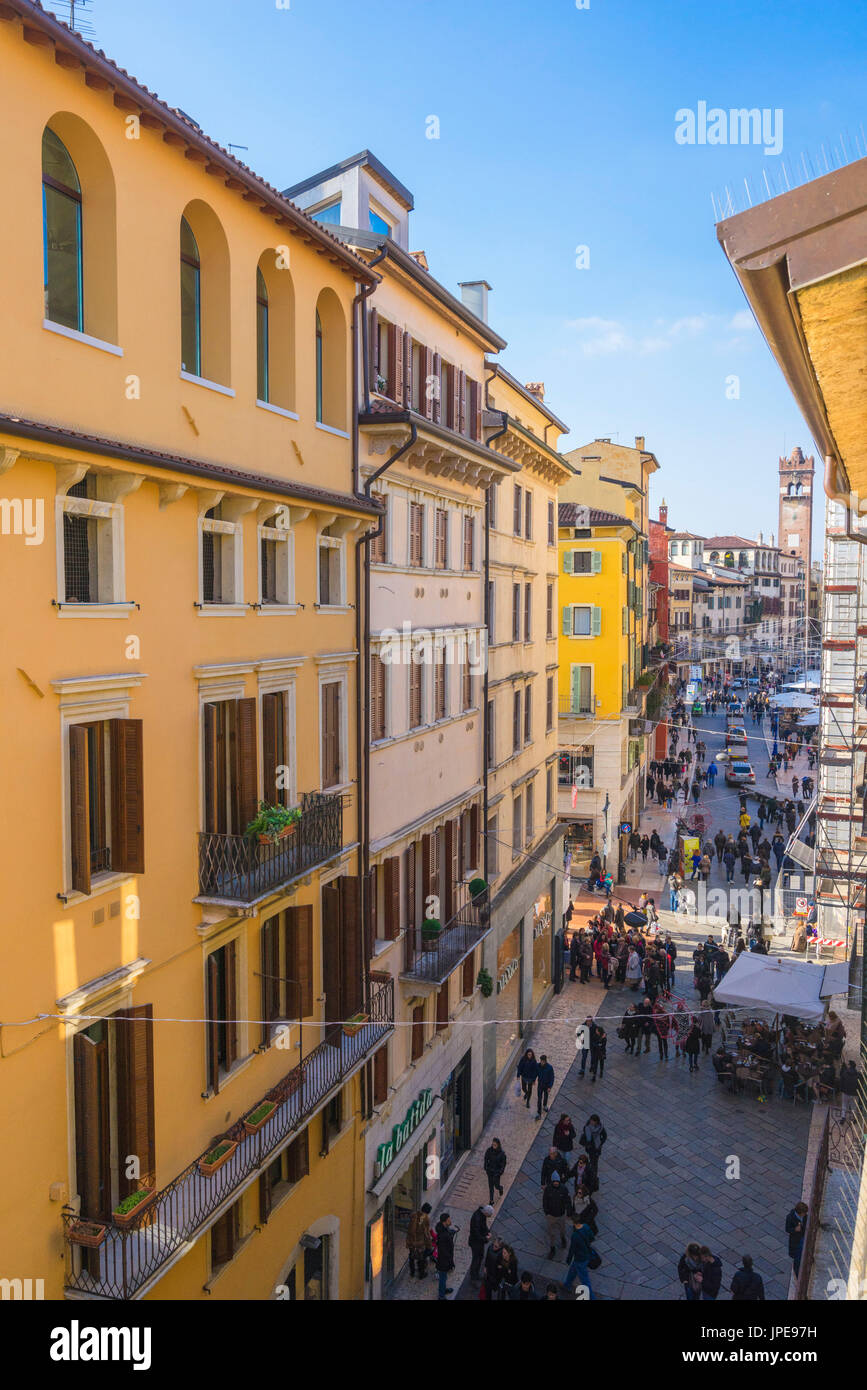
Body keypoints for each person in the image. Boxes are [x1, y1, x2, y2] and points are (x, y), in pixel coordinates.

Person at [542, 1172, 573, 1258]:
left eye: (557, 1181)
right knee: (551, 1233)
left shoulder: (564, 1189)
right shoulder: (548, 1189)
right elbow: (545, 1201)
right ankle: (552, 1248)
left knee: (562, 1229)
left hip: (561, 1214)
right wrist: (546, 1212)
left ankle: (563, 1238)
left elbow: (568, 1201)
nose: (556, 1183)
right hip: (551, 1215)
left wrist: (569, 1211)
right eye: (554, 1181)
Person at [564, 1216, 595, 1299]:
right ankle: (567, 1284)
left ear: (573, 1223)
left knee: (585, 1281)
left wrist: (568, 1259)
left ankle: (592, 1297)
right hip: (587, 1255)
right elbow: (592, 1237)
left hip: (580, 1259)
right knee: (573, 1270)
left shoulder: (575, 1235)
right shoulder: (586, 1227)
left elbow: (572, 1249)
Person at [406, 1202, 433, 1279]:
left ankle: (412, 1272)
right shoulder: (425, 1219)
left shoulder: (414, 1215)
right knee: (421, 1258)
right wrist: (429, 1244)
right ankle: (421, 1274)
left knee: (411, 1256)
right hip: (419, 1242)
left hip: (411, 1240)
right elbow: (426, 1232)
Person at [468, 1203, 493, 1281]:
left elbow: (484, 1225)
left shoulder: (482, 1214)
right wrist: (486, 1238)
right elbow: (476, 1234)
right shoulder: (477, 1218)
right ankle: (473, 1277)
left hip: (479, 1242)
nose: (488, 1217)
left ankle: (476, 1274)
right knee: (476, 1259)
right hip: (475, 1242)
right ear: (486, 1213)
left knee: (480, 1257)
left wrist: (488, 1231)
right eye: (488, 1216)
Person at [435, 1213, 456, 1300]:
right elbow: (444, 1251)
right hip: (444, 1260)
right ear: (445, 1222)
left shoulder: (444, 1230)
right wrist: (450, 1261)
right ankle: (441, 1295)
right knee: (443, 1277)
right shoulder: (443, 1235)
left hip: (445, 1259)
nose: (450, 1221)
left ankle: (443, 1290)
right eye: (448, 1220)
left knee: (444, 1276)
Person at [785, 1202, 809, 1276]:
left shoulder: (805, 1216)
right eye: (804, 1213)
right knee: (797, 1259)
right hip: (796, 1241)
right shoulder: (790, 1217)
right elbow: (787, 1229)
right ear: (800, 1213)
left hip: (803, 1237)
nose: (805, 1214)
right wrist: (795, 1229)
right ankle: (798, 1274)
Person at [483, 1138, 507, 1204]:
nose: (493, 1146)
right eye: (493, 1145)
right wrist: (485, 1166)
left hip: (496, 1173)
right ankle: (491, 1201)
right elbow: (486, 1158)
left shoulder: (502, 1154)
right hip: (490, 1171)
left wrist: (500, 1172)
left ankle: (500, 1188)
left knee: (496, 1186)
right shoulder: (489, 1150)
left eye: (495, 1145)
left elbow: (503, 1165)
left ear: (498, 1145)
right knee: (491, 1187)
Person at [482, 1236, 504, 1301]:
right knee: (487, 1290)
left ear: (500, 1247)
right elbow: (487, 1258)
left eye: (496, 1246)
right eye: (494, 1245)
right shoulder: (490, 1247)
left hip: (496, 1275)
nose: (494, 1247)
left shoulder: (502, 1253)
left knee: (496, 1290)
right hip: (489, 1273)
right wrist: (485, 1266)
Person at [536, 1054, 555, 1119]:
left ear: (545, 1061)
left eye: (543, 1061)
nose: (542, 1062)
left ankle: (544, 1105)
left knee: (546, 1096)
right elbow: (535, 1073)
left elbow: (552, 1078)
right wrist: (533, 1079)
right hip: (540, 1085)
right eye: (541, 1061)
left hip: (547, 1085)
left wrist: (550, 1086)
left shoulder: (549, 1067)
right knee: (539, 1099)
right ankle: (539, 1113)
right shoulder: (538, 1066)